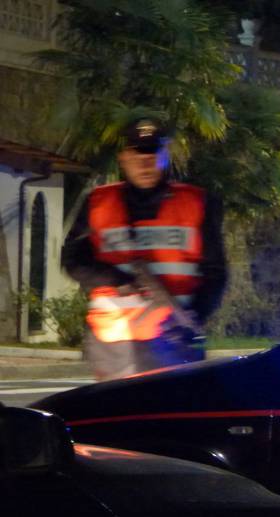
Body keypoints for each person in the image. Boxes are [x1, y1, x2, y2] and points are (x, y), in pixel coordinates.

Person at [63, 118, 227, 380]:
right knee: (117, 418)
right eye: (137, 154)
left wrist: (194, 318)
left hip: (172, 338)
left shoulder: (197, 203)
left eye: (153, 153)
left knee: (172, 417)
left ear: (165, 157)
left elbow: (216, 273)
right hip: (114, 344)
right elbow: (73, 261)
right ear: (123, 158)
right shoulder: (98, 202)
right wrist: (119, 280)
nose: (145, 162)